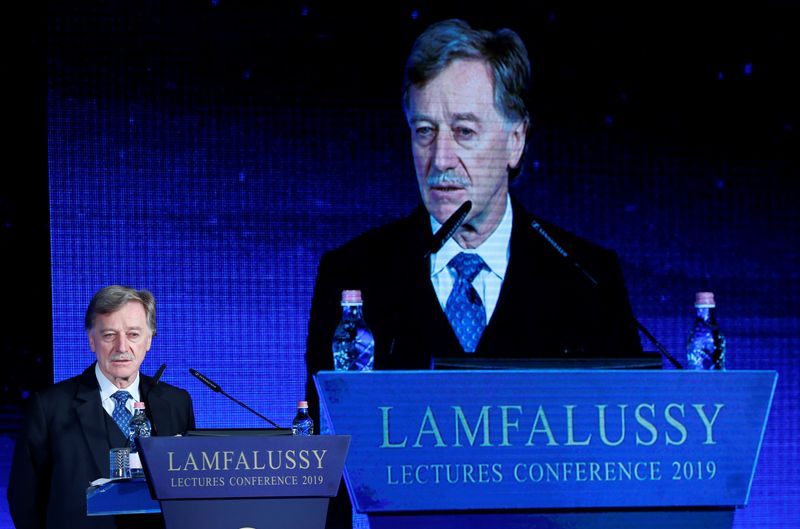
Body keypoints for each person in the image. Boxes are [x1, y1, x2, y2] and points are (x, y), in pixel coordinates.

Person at [305, 19, 647, 526]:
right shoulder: (353, 276)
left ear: (515, 142)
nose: (440, 159)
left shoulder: (587, 279)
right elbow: (328, 476)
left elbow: (628, 470)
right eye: (424, 132)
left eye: (464, 131)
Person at [8, 285, 196, 529]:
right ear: (92, 341)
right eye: (109, 335)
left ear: (148, 340)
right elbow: (24, 499)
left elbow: (189, 490)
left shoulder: (176, 403)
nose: (121, 347)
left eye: (133, 334)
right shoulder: (50, 406)